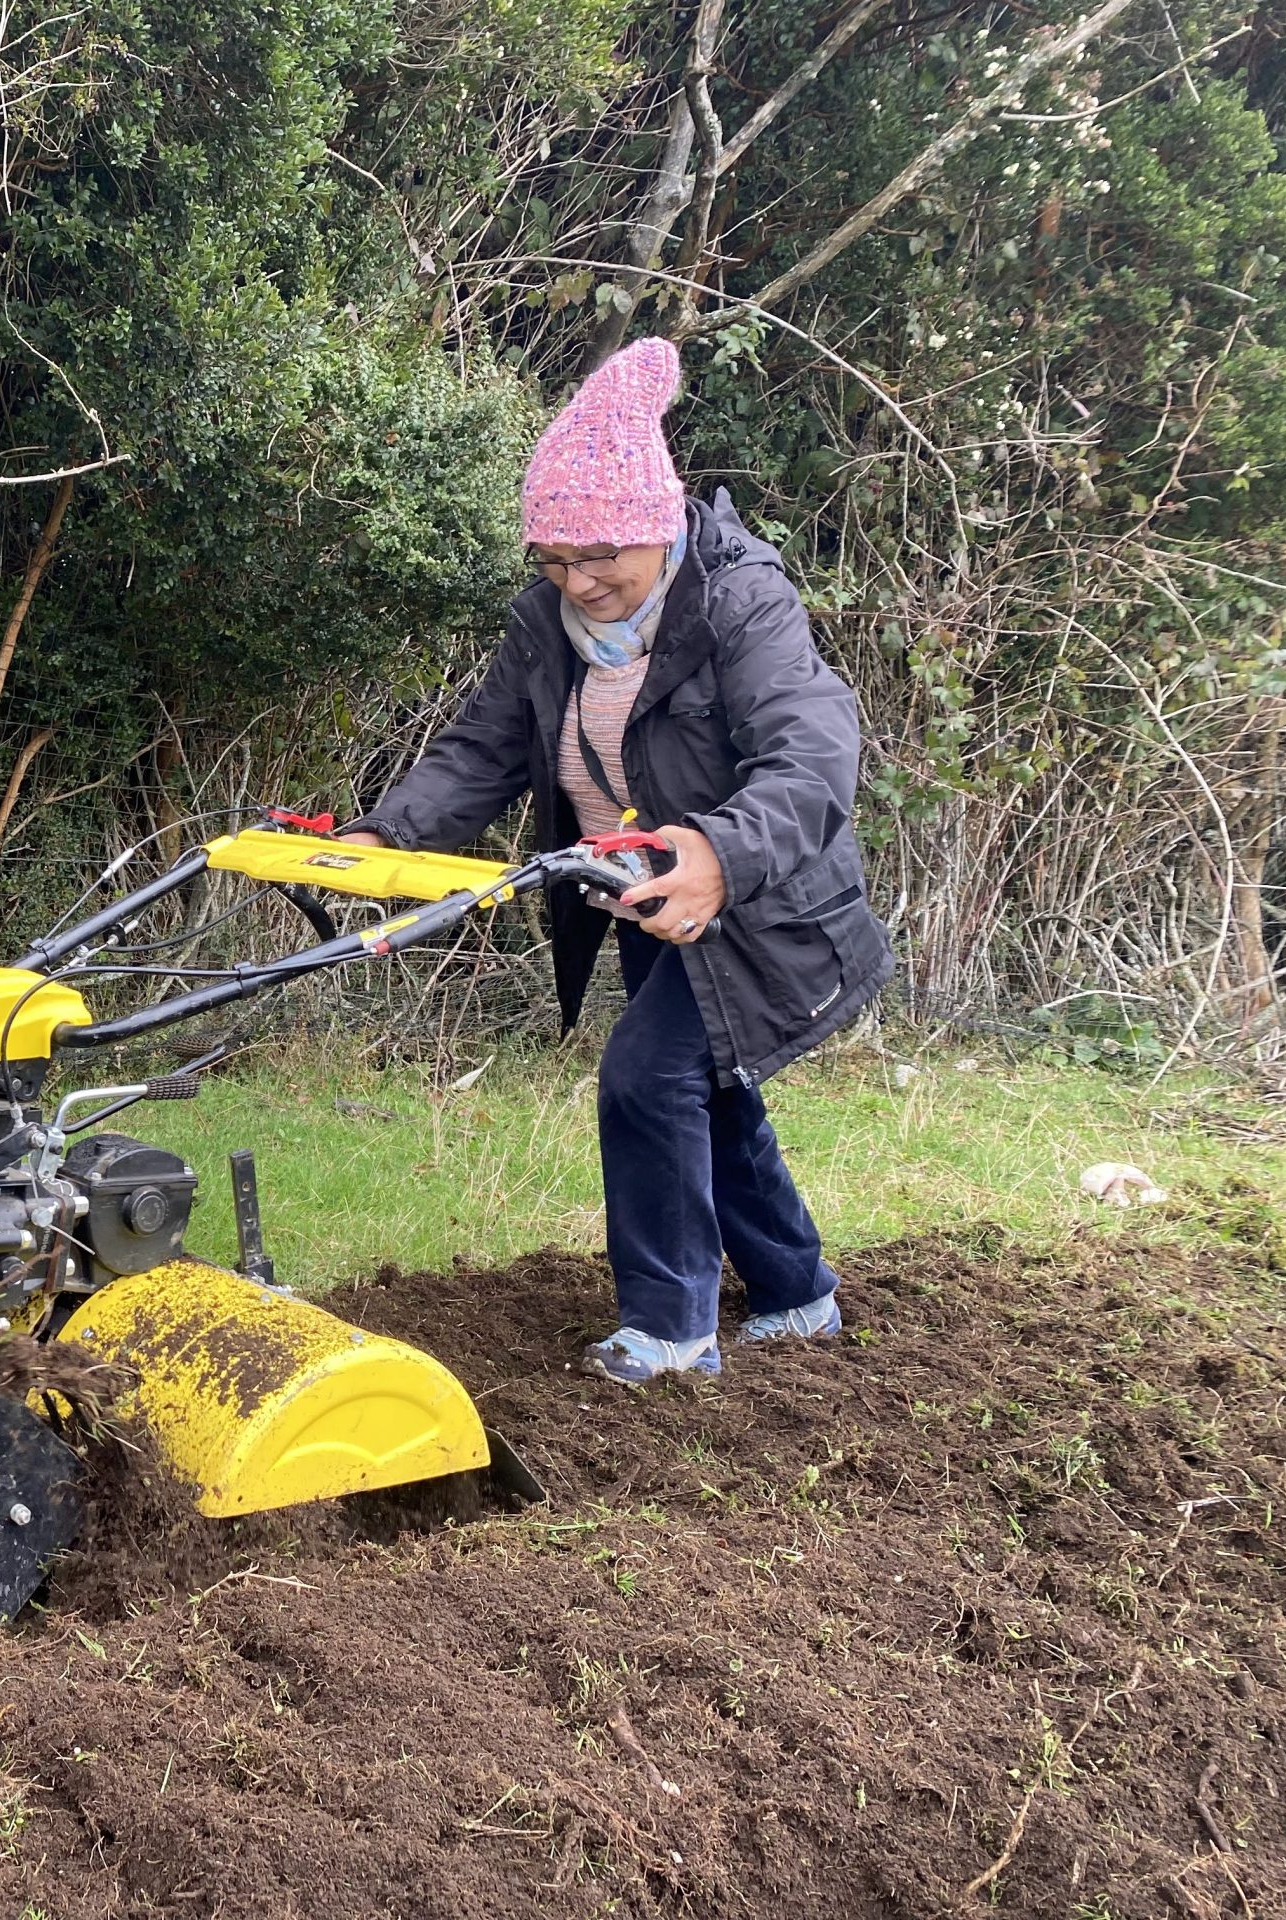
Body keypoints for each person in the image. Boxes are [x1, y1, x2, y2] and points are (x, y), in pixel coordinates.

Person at [338, 338, 892, 1384]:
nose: (578, 580)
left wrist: (721, 855)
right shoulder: (545, 626)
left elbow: (814, 754)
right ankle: (796, 1294)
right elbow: (484, 749)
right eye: (552, 559)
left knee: (646, 1080)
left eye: (599, 555)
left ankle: (671, 1333)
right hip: (646, 903)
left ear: (656, 525)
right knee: (710, 1094)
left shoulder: (738, 601)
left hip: (766, 908)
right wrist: (384, 833)